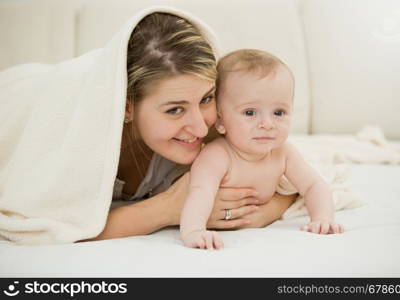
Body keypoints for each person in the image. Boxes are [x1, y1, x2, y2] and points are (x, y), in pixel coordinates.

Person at [88, 14, 297, 241]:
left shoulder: (220, 128)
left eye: (206, 98)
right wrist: (167, 208)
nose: (200, 129)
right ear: (126, 106)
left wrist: (258, 214)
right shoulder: (86, 144)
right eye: (175, 110)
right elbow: (57, 228)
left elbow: (290, 183)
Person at [180, 49, 344, 250]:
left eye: (279, 112)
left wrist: (322, 218)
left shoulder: (283, 152)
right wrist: (194, 230)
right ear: (221, 121)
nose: (267, 124)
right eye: (250, 112)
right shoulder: (217, 156)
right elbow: (200, 192)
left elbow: (313, 185)